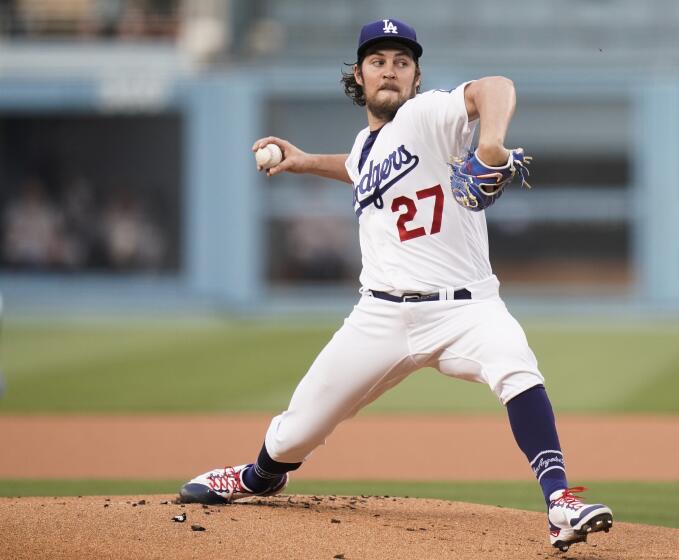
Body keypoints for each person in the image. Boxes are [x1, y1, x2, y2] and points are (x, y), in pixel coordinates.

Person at [180, 18, 613, 552]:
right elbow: (363, 167)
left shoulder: (429, 115)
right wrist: (305, 161)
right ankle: (260, 477)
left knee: (518, 368)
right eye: (378, 61)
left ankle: (560, 502)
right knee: (295, 432)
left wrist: (491, 146)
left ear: (415, 77)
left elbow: (495, 87)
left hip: (467, 309)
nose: (390, 70)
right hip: (380, 318)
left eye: (401, 62)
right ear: (358, 77)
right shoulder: (367, 145)